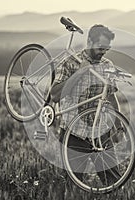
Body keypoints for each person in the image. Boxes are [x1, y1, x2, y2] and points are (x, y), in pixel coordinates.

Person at [50, 24, 121, 185]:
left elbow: (111, 98)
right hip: (73, 135)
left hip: (101, 133)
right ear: (89, 41)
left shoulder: (107, 66)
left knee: (115, 184)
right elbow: (55, 95)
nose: (103, 52)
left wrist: (119, 127)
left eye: (107, 49)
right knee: (72, 186)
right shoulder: (70, 62)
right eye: (100, 47)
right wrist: (80, 72)